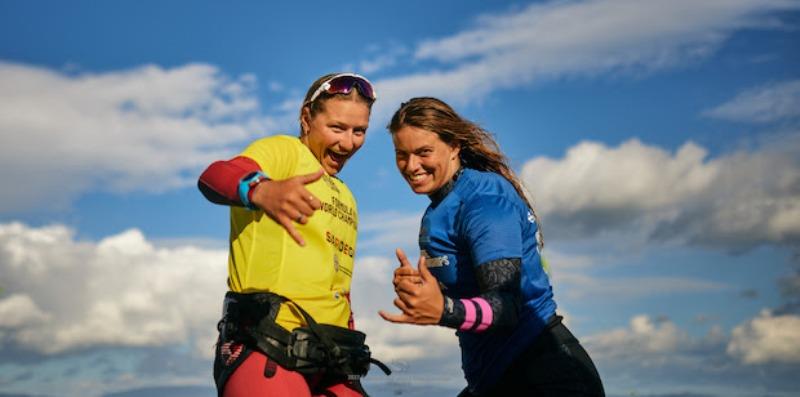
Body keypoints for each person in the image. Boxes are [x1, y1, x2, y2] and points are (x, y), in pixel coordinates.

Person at [379, 97, 604, 396]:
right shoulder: (442, 205)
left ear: (455, 146)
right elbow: (467, 282)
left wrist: (443, 309)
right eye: (401, 155)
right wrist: (422, 286)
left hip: (545, 374)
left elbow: (506, 307)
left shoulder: (483, 201)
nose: (411, 166)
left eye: (423, 152)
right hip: (495, 377)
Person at [198, 73, 387, 397]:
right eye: (337, 128)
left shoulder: (346, 196)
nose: (348, 142)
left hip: (332, 357)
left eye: (359, 131)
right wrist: (261, 190)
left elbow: (338, 285)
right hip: (267, 343)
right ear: (306, 118)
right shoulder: (284, 152)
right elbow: (214, 175)